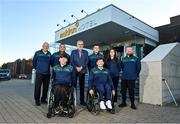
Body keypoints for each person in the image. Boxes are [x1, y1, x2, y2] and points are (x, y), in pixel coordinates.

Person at [70, 40, 88, 106]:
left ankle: (82, 101)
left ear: (83, 45)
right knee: (74, 86)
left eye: (81, 44)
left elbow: (86, 61)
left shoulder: (86, 52)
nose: (80, 45)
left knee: (82, 86)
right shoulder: (73, 52)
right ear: (76, 45)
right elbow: (71, 61)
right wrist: (76, 67)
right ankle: (73, 100)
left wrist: (81, 67)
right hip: (74, 71)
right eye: (79, 44)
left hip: (82, 71)